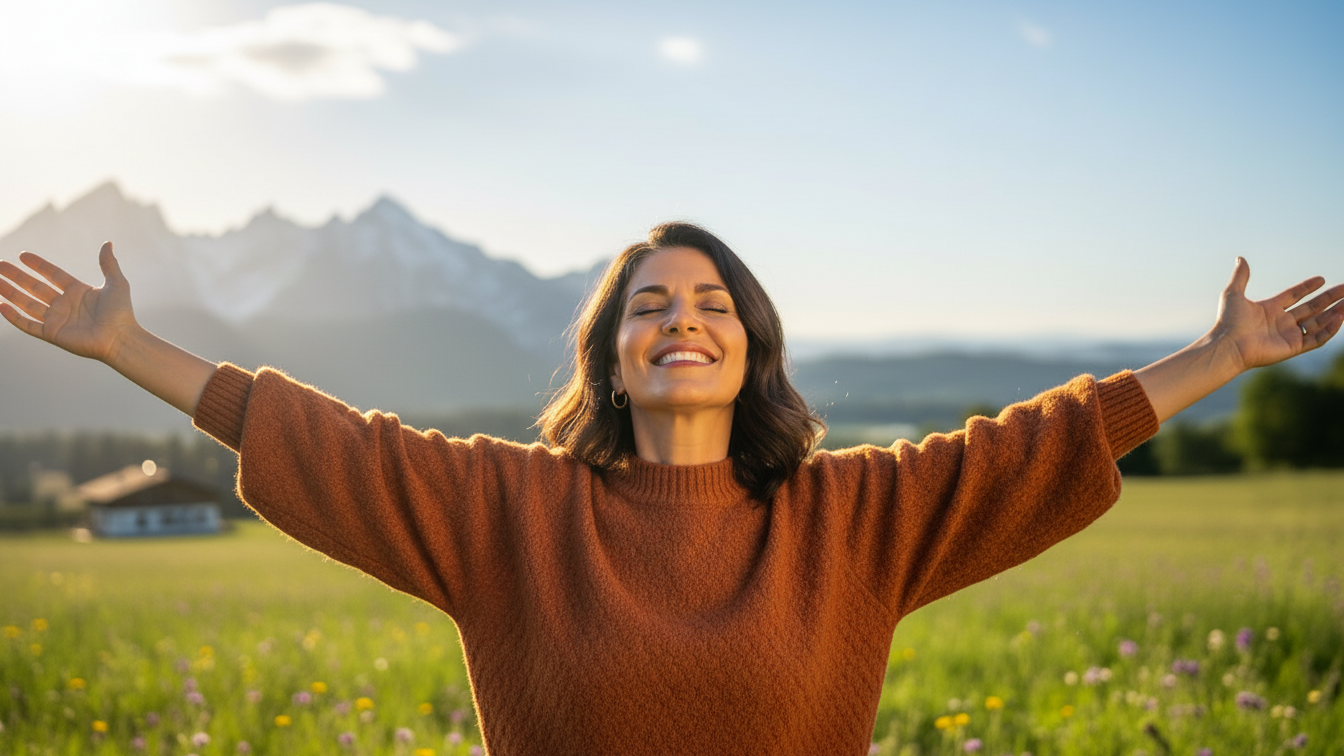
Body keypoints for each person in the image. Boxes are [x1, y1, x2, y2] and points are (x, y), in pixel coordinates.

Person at [1, 222, 1341, 755]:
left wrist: (1223, 358)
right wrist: (126, 348)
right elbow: (325, 438)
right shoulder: (507, 513)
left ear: (751, 345)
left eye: (712, 302)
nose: (681, 319)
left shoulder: (852, 518)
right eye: (650, 306)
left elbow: (1036, 444)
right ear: (613, 356)